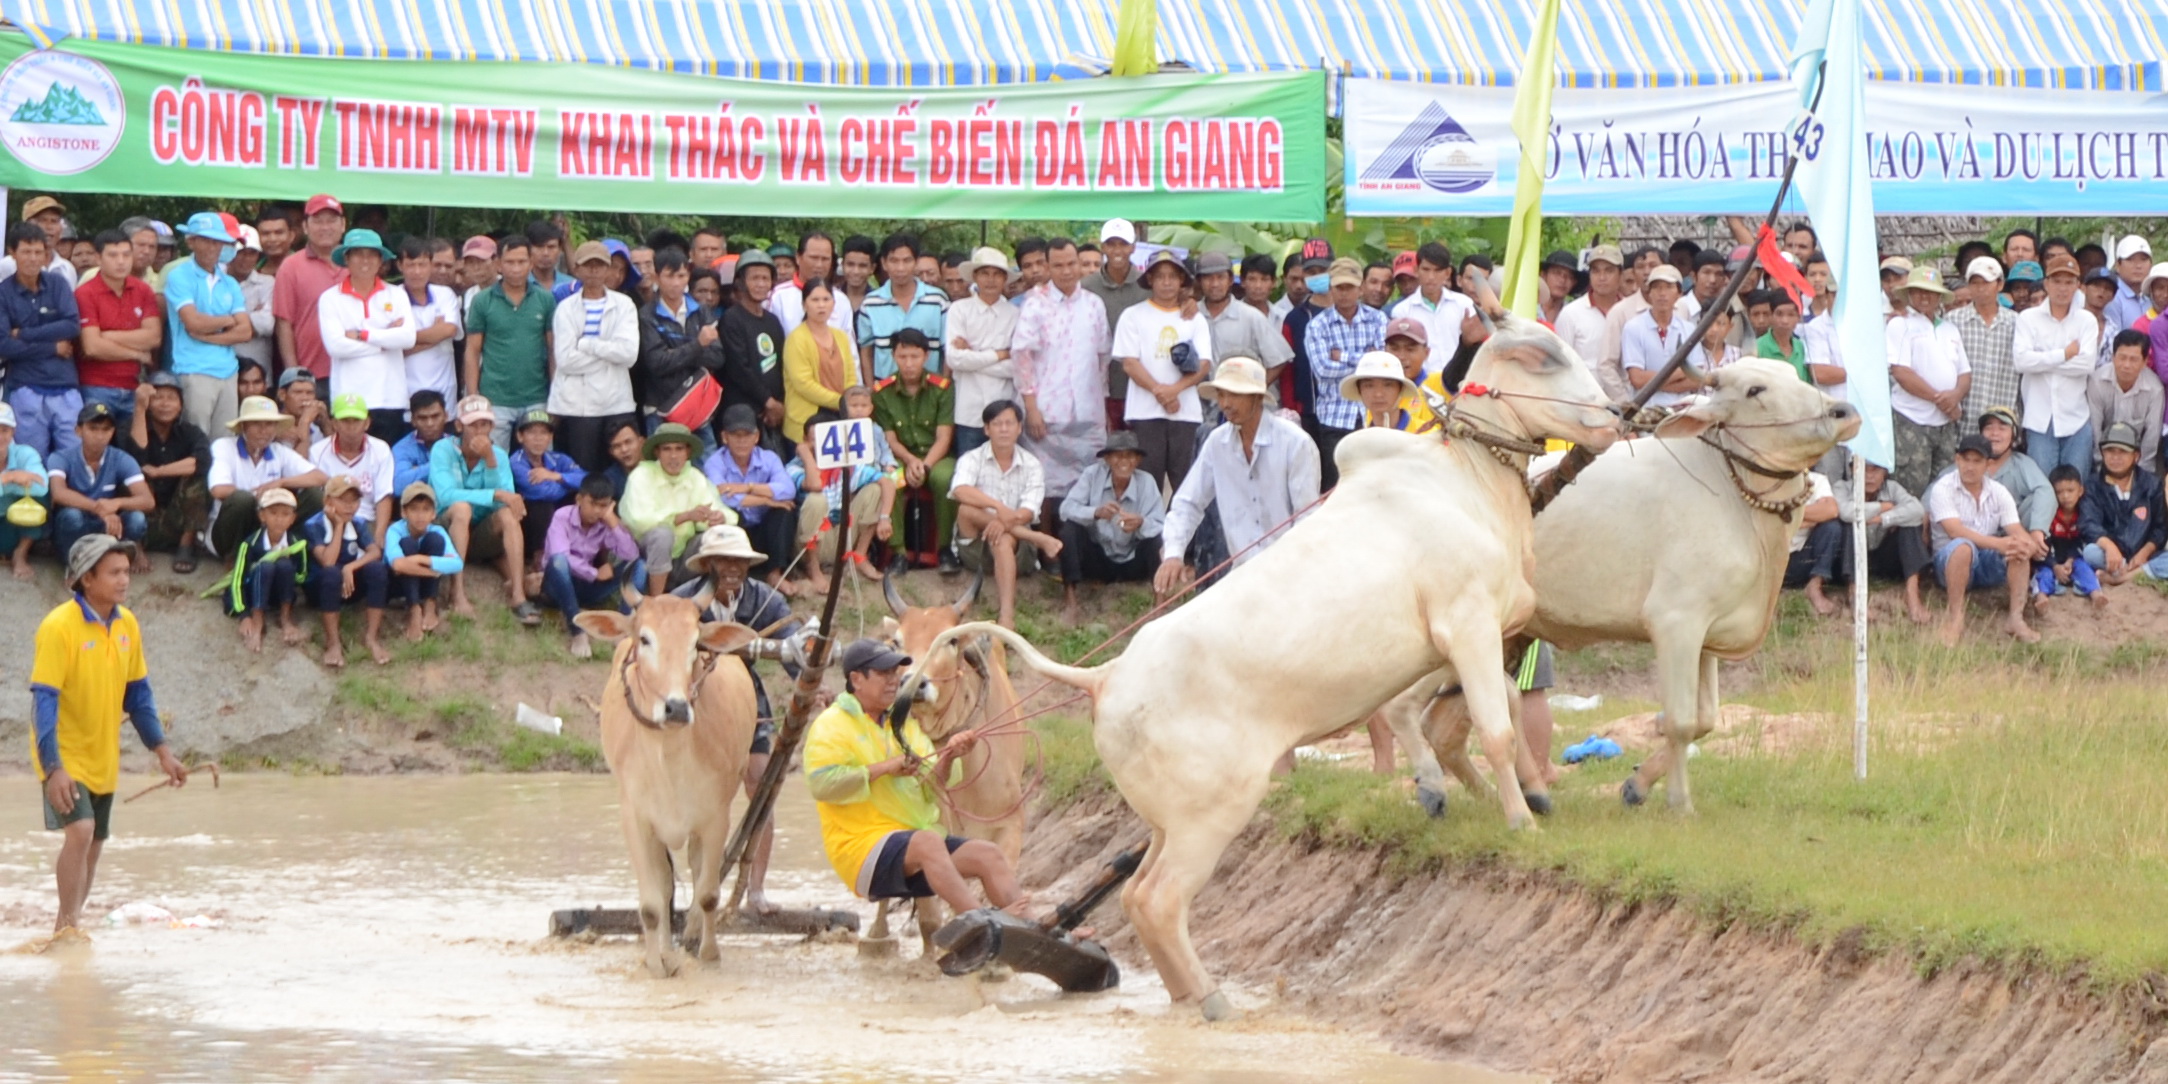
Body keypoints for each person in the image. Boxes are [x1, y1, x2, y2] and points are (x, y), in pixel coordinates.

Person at [32, 534, 189, 934]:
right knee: (81, 831)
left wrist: (163, 752)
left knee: (95, 843)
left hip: (103, 754)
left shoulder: (126, 624)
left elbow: (138, 695)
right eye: (114, 572)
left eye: (126, 572)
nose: (124, 580)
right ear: (87, 578)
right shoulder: (58, 628)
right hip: (65, 755)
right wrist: (53, 768)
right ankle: (64, 927)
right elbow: (44, 703)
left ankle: (73, 925)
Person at [803, 638, 1022, 915]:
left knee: (988, 855)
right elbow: (822, 785)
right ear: (857, 679)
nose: (894, 680)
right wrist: (886, 768)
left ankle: (1039, 930)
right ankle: (979, 921)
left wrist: (949, 756)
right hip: (861, 851)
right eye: (884, 674)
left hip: (915, 849)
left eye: (895, 673)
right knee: (927, 842)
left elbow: (933, 789)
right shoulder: (831, 726)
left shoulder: (905, 724)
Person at [670, 523, 800, 910]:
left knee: (762, 786)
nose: (731, 568)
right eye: (722, 561)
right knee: (691, 795)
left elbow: (793, 643)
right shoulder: (682, 602)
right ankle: (684, 889)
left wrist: (807, 681)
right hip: (690, 701)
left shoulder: (765, 599)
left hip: (745, 701)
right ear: (706, 564)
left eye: (739, 562)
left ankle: (755, 890)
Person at [1158, 358, 1321, 597]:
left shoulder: (1296, 443)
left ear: (1257, 397)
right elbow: (1188, 502)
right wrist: (1173, 552)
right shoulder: (1217, 442)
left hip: (1291, 575)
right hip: (1242, 574)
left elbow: (1306, 517)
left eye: (1235, 395)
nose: (1225, 403)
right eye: (1221, 395)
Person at [1012, 238, 1109, 532]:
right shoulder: (1035, 304)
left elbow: (1103, 356)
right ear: (1048, 267)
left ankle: (1081, 551)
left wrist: (1101, 403)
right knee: (1043, 484)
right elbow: (1022, 357)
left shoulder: (1094, 304)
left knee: (1088, 481)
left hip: (1087, 411)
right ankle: (1048, 551)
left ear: (1080, 264)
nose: (1066, 271)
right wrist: (1031, 408)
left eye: (1071, 264)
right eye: (1058, 265)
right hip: (1045, 411)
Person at [950, 400, 1058, 628]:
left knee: (1004, 538)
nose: (1004, 429)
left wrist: (1004, 522)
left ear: (1020, 428)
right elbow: (960, 490)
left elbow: (1029, 511)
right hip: (975, 547)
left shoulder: (1032, 464)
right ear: (986, 429)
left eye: (1009, 423)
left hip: (1017, 551)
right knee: (966, 509)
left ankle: (1006, 617)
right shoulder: (972, 458)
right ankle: (1036, 538)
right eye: (997, 424)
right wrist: (999, 508)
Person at [429, 395, 536, 621]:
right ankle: (456, 592)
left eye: (484, 424)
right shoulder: (443, 449)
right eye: (472, 425)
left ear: (491, 426)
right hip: (443, 531)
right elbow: (445, 496)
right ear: (459, 426)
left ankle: (518, 595)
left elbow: (505, 502)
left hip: (478, 534)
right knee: (461, 508)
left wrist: (489, 461)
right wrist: (495, 493)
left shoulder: (497, 455)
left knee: (507, 515)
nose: (479, 430)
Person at [1113, 250, 1213, 491]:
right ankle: (1150, 529)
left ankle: (1184, 530)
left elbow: (1204, 364)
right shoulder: (1133, 316)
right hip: (1146, 412)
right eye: (1160, 276)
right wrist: (1160, 392)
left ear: (1181, 280)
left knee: (1185, 482)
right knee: (1148, 481)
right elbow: (1129, 362)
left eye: (1172, 276)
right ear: (1150, 280)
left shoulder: (1194, 318)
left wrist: (1175, 391)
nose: (1166, 282)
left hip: (1185, 412)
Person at [1927, 434, 2037, 646]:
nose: (1970, 466)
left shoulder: (1998, 492)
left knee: (2017, 548)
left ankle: (2016, 618)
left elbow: (2015, 528)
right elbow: (1954, 531)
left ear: (1989, 464)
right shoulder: (1943, 488)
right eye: (1965, 459)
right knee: (1962, 547)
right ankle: (1955, 619)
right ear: (1956, 460)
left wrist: (2027, 545)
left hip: (1984, 561)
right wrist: (1999, 544)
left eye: (1977, 461)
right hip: (1948, 562)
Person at [550, 241, 640, 473]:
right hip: (577, 405)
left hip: (616, 401)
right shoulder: (566, 308)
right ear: (577, 269)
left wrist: (586, 344)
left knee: (622, 469)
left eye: (599, 265)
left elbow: (629, 354)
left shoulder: (624, 305)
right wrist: (610, 352)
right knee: (583, 470)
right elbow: (566, 360)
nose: (593, 271)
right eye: (587, 265)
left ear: (608, 268)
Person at [1057, 429, 1163, 623]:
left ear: (1138, 460)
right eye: (1117, 455)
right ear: (1106, 459)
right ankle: (1071, 601)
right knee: (1070, 531)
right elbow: (1066, 509)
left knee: (1156, 540)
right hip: (1098, 558)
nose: (1124, 461)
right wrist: (1095, 512)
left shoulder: (1146, 482)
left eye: (1130, 456)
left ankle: (1159, 604)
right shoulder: (1092, 475)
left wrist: (1140, 522)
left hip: (1133, 561)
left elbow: (1159, 525)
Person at [798, 385, 895, 591]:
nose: (819, 445)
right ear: (805, 441)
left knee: (874, 489)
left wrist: (885, 517)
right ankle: (813, 570)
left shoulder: (847, 466)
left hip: (841, 536)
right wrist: (805, 454)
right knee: (816, 499)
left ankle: (859, 555)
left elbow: (887, 482)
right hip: (811, 545)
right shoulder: (795, 467)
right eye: (814, 440)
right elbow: (815, 484)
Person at [0, 222, 83, 463]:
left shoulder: (57, 284)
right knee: (31, 457)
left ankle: (71, 502)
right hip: (25, 387)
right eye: (26, 252)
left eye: (39, 252)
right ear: (12, 253)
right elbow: (4, 344)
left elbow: (71, 325)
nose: (33, 258)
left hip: (66, 385)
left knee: (74, 457)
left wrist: (25, 333)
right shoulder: (3, 293)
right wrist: (53, 347)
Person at [873, 328, 957, 567]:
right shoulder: (882, 392)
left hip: (936, 457)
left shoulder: (942, 387)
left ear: (926, 357)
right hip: (900, 455)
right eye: (903, 357)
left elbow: (944, 437)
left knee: (945, 479)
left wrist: (926, 466)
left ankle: (944, 550)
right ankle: (898, 551)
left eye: (915, 357)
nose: (909, 363)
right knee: (892, 478)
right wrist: (910, 461)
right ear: (893, 356)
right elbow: (889, 439)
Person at [464, 236, 557, 450]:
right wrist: (474, 395)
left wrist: (555, 394)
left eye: (521, 262)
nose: (516, 268)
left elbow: (553, 350)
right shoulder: (482, 300)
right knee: (493, 460)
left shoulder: (545, 299)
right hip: (495, 397)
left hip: (536, 396)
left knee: (540, 459)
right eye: (510, 262)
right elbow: (472, 351)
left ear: (531, 263)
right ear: (498, 264)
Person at [618, 422, 731, 596]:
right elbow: (639, 520)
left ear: (688, 452)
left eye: (679, 449)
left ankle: (715, 599)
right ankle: (656, 601)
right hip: (645, 558)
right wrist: (684, 516)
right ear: (657, 452)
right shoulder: (640, 476)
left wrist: (716, 518)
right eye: (667, 449)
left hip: (683, 559)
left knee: (714, 537)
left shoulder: (695, 477)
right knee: (662, 534)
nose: (673, 456)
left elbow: (715, 511)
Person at [2012, 254, 2101, 474]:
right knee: (2043, 491)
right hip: (2039, 419)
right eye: (2057, 281)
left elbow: (2086, 365)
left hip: (2076, 419)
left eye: (2069, 282)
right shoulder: (2028, 318)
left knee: (2076, 489)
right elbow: (2022, 362)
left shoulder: (2086, 321)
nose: (2063, 288)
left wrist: (2042, 359)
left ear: (2078, 286)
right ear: (2046, 283)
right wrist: (2065, 354)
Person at [1887, 266, 1972, 498]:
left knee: (1943, 489)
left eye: (1931, 292)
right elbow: (1901, 372)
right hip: (1911, 419)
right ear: (1910, 294)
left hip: (1944, 423)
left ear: (1939, 297)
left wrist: (1954, 397)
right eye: (1919, 291)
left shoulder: (1950, 329)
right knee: (1909, 491)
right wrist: (1941, 399)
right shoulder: (1900, 325)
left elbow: (1965, 373)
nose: (1925, 297)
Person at [206, 394, 325, 558]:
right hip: (229, 532)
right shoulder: (224, 446)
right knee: (242, 500)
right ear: (243, 427)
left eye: (269, 424)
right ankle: (234, 558)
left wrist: (282, 482)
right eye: (256, 424)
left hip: (269, 525)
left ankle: (292, 549)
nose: (264, 431)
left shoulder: (279, 451)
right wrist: (261, 498)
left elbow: (320, 477)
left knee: (315, 495)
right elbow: (218, 490)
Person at [1302, 256, 1386, 488]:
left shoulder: (1377, 319)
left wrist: (1342, 356)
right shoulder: (1318, 325)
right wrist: (1365, 359)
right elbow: (1322, 370)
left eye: (1349, 287)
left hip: (1372, 415)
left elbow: (1381, 365)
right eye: (1339, 287)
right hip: (1333, 419)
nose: (1344, 293)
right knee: (1336, 488)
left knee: (1374, 485)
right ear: (1331, 288)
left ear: (1360, 289)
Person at [541, 474, 641, 658]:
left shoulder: (605, 523)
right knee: (558, 562)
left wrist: (612, 522)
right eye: (593, 503)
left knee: (639, 566)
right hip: (557, 584)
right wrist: (594, 573)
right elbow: (560, 556)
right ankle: (578, 632)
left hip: (587, 587)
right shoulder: (562, 517)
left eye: (603, 506)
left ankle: (622, 629)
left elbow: (631, 555)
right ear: (579, 499)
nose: (597, 511)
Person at [74, 228, 162, 433]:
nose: (121, 261)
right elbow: (93, 347)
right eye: (113, 255)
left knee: (135, 451)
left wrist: (108, 336)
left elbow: (154, 337)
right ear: (98, 258)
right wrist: (137, 353)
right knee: (96, 448)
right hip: (96, 386)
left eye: (126, 254)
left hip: (134, 387)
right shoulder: (85, 293)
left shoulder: (143, 290)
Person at [703, 403, 795, 592]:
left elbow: (788, 489)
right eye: (736, 435)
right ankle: (731, 575)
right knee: (728, 515)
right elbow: (723, 498)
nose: (742, 441)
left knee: (784, 511)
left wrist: (748, 487)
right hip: (736, 529)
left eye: (747, 435)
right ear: (724, 437)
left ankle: (775, 573)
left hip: (764, 531)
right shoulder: (714, 462)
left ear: (756, 437)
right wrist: (766, 499)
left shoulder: (769, 458)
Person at [46, 401, 152, 563]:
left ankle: (120, 556)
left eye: (106, 429)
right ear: (78, 431)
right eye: (93, 429)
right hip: (78, 524)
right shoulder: (61, 457)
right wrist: (100, 509)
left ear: (113, 432)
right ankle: (73, 565)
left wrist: (116, 503)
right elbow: (59, 493)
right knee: (71, 517)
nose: (100, 435)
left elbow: (147, 500)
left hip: (107, 524)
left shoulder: (121, 458)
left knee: (137, 519)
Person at [636, 246, 723, 443]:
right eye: (669, 276)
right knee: (662, 469)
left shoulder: (701, 311)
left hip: (700, 406)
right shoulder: (646, 315)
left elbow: (718, 357)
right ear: (657, 277)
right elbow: (657, 363)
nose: (676, 283)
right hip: (661, 407)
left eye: (681, 276)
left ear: (688, 276)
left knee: (705, 467)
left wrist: (675, 350)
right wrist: (698, 344)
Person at [303, 475, 390, 667]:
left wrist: (351, 567)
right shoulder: (313, 525)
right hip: (321, 589)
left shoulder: (357, 523)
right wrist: (339, 526)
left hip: (347, 586)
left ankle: (371, 637)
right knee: (332, 573)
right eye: (343, 500)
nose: (350, 506)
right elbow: (328, 561)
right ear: (327, 501)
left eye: (355, 500)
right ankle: (333, 642)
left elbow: (375, 551)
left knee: (377, 569)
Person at [1836, 460, 1932, 623]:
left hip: (1883, 557)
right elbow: (1845, 512)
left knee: (1909, 524)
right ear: (1853, 469)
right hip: (1849, 559)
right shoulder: (1842, 487)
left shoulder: (1892, 488)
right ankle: (1855, 594)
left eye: (1876, 470)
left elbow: (1917, 510)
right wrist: (1881, 506)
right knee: (1849, 524)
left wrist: (1882, 518)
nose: (1869, 476)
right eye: (1864, 470)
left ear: (1885, 473)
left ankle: (1912, 594)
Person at [946, 246, 1019, 457]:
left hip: (1004, 407)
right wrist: (999, 354)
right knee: (968, 474)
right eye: (985, 273)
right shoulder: (959, 309)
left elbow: (1016, 367)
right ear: (975, 276)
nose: (991, 280)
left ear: (1005, 279)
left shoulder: (1015, 314)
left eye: (997, 274)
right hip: (969, 410)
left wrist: (974, 356)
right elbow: (954, 359)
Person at [2080, 422, 2168, 586]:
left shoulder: (2152, 484)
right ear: (2102, 453)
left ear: (2136, 456)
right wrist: (2110, 547)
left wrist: (2144, 553)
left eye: (2123, 452)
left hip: (2144, 555)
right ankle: (2137, 573)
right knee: (2090, 553)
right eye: (2110, 451)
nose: (2115, 457)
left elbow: (2160, 528)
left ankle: (2122, 578)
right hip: (2109, 555)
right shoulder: (2093, 485)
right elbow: (2088, 524)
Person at [857, 231, 948, 385]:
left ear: (916, 262)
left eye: (907, 261)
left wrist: (943, 387)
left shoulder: (938, 300)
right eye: (894, 261)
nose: (900, 268)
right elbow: (866, 352)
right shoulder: (870, 303)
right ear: (884, 263)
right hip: (885, 394)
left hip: (929, 392)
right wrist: (871, 388)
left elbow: (947, 351)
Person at [271, 194, 346, 380]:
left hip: (353, 370)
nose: (325, 227)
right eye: (318, 221)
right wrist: (294, 374)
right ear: (305, 226)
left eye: (332, 221)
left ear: (343, 225)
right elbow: (284, 324)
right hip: (311, 374)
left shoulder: (357, 263)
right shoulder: (291, 267)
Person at [223, 485, 307, 651]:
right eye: (273, 513)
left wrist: (288, 566)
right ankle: (257, 618)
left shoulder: (296, 544)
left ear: (293, 518)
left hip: (276, 594)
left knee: (284, 565)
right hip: (252, 593)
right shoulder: (250, 544)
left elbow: (302, 576)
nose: (279, 519)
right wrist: (244, 615)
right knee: (266, 566)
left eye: (285, 514)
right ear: (262, 516)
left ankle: (285, 617)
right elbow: (237, 580)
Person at [308, 390, 395, 546]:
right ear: (334, 423)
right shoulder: (318, 451)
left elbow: (383, 496)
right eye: (345, 420)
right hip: (330, 522)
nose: (351, 426)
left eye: (356, 420)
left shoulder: (381, 449)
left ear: (367, 423)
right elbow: (318, 498)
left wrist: (379, 534)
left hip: (367, 520)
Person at [1198, 252, 1292, 395]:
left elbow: (1279, 360)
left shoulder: (1251, 316)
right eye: (1208, 278)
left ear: (1230, 280)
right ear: (1199, 281)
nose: (1215, 284)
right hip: (1199, 404)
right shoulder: (1190, 315)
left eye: (1220, 277)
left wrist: (1251, 393)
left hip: (1242, 409)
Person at [505, 407, 587, 570]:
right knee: (542, 505)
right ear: (520, 436)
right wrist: (568, 485)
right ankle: (539, 558)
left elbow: (586, 479)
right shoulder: (516, 462)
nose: (538, 439)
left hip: (555, 516)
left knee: (583, 498)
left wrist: (556, 476)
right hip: (529, 524)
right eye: (532, 432)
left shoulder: (557, 458)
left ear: (550, 437)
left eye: (544, 433)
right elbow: (543, 492)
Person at [781, 277, 858, 444]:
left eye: (826, 299)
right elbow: (803, 383)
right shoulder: (796, 339)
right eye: (815, 300)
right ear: (804, 305)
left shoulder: (841, 337)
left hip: (840, 417)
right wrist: (840, 401)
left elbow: (851, 374)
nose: (821, 305)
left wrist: (850, 400)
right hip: (807, 422)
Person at [1081, 220, 1147, 413]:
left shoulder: (1148, 285)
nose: (1117, 250)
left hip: (1139, 383)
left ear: (1133, 248)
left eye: (1123, 244)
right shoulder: (1086, 287)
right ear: (1103, 248)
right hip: (1096, 385)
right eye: (1111, 244)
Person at [384, 482, 461, 640]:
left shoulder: (436, 530)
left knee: (435, 540)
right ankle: (414, 609)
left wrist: (420, 559)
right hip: (397, 583)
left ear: (433, 514)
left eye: (426, 509)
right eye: (414, 509)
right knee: (408, 543)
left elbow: (457, 563)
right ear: (404, 512)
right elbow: (397, 564)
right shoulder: (395, 530)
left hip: (422, 581)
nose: (420, 515)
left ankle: (430, 603)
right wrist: (433, 572)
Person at [1948, 256, 2017, 433]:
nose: (1980, 289)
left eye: (1986, 283)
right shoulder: (1953, 320)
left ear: (2000, 285)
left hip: (2002, 421)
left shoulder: (2016, 322)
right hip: (1963, 420)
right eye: (1975, 283)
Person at [1389, 241, 1474, 379]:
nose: (1431, 277)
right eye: (1426, 269)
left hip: (1459, 382)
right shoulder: (1402, 311)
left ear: (1447, 273)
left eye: (1437, 270)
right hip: (1422, 384)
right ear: (1416, 270)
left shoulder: (1464, 304)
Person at [1619, 265, 1700, 407]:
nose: (1662, 293)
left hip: (1682, 410)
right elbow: (1637, 378)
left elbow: (1696, 379)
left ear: (1679, 293)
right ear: (1649, 293)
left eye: (1669, 287)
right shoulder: (1633, 328)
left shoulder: (1689, 329)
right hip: (1646, 411)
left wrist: (1652, 384)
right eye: (1656, 287)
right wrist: (1681, 371)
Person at [397, 237, 462, 406]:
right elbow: (389, 348)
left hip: (445, 393)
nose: (417, 271)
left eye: (422, 264)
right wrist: (435, 333)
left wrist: (404, 337)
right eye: (411, 265)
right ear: (400, 266)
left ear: (429, 265)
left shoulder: (445, 294)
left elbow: (448, 330)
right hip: (404, 394)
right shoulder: (390, 298)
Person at [1554, 244, 1626, 395]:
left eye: (1609, 271)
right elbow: (1562, 363)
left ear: (1621, 274)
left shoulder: (1631, 313)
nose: (1602, 277)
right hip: (1585, 401)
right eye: (1595, 271)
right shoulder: (1571, 314)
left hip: (1628, 399)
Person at [2089, 331, 2163, 469]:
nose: (2126, 365)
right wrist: (2104, 466)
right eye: (2122, 358)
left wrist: (2136, 473)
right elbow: (2095, 430)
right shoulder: (2097, 381)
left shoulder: (2155, 388)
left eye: (2134, 359)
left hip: (2138, 464)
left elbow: (2151, 438)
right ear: (2112, 357)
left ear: (2145, 362)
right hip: (2102, 461)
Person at [2035, 464, 2103, 609]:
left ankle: (2096, 594)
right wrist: (2055, 566)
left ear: (2080, 490)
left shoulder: (2083, 514)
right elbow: (2042, 545)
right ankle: (2042, 598)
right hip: (2050, 560)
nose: (2065, 496)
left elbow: (2081, 541)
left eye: (2070, 490)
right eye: (2059, 492)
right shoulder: (2050, 515)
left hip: (2073, 559)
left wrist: (2070, 561)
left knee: (2084, 568)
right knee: (2044, 575)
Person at [1780, 471, 1843, 615]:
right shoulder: (1769, 482)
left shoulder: (1816, 480)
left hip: (1800, 560)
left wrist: (1789, 513)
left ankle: (1814, 586)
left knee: (1832, 527)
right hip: (1771, 561)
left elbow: (1831, 511)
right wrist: (1813, 518)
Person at [0, 402, 49, 579]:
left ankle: (20, 554)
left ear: (13, 432)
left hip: (12, 526)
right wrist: (8, 478)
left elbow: (42, 488)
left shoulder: (26, 454)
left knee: (40, 500)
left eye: (4, 430)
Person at [391, 390, 450, 497]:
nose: (430, 423)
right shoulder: (402, 448)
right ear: (413, 420)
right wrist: (442, 464)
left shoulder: (456, 445)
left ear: (446, 416)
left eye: (435, 416)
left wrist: (417, 470)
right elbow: (398, 486)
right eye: (423, 418)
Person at [2105, 235, 2153, 335]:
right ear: (2118, 265)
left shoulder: (2150, 300)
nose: (2138, 266)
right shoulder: (2112, 297)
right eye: (2131, 259)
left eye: (2143, 259)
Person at [274, 367, 328, 454]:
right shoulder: (271, 426)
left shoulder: (314, 429)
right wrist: (305, 421)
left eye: (309, 393)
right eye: (298, 392)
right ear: (282, 395)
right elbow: (299, 465)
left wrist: (325, 422)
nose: (305, 398)